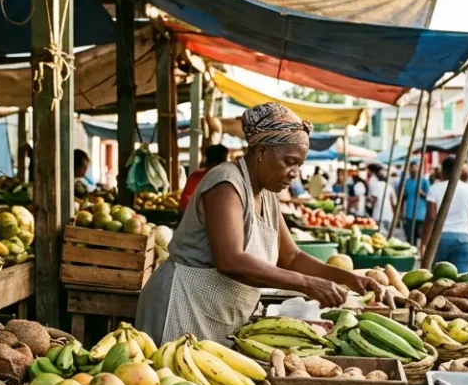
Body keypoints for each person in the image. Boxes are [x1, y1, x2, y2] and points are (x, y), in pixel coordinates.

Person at [134, 102, 382, 343]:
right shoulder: (225, 183)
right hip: (181, 306)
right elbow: (230, 260)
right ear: (262, 151)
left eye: (299, 165)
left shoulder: (267, 195)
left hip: (215, 314)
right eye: (290, 161)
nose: (295, 173)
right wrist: (308, 284)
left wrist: (350, 279)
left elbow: (291, 258)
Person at [423, 156, 468, 272]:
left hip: (439, 239)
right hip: (464, 238)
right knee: (462, 281)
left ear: (443, 171)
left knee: (438, 281)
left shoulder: (434, 189)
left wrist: (424, 242)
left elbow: (431, 218)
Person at [180, 144, 228, 213]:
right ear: (215, 164)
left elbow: (183, 205)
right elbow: (184, 204)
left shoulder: (196, 176)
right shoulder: (197, 177)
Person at [400, 158, 431, 243]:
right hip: (409, 215)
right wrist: (401, 212)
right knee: (410, 239)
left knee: (423, 239)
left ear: (418, 168)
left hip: (421, 216)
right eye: (411, 167)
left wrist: (422, 193)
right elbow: (403, 198)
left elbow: (430, 197)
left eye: (415, 167)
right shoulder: (406, 182)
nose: (413, 169)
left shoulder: (424, 181)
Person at [366, 163, 395, 232]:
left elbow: (374, 199)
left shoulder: (375, 184)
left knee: (378, 235)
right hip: (388, 214)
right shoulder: (388, 186)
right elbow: (393, 202)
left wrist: (366, 199)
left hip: (378, 214)